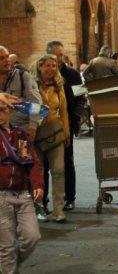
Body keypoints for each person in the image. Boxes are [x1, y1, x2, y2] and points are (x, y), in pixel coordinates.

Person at [0, 99, 44, 273]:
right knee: (7, 246)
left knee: (32, 237)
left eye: (2, 110)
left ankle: (8, 264)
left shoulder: (21, 135)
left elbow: (33, 163)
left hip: (23, 194)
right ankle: (8, 266)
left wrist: (38, 184)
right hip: (1, 197)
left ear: (10, 111)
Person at [46, 41, 84, 212]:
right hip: (47, 126)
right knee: (45, 165)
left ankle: (70, 198)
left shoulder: (73, 74)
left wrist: (75, 116)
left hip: (67, 124)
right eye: (56, 55)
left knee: (68, 162)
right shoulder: (43, 75)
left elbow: (81, 98)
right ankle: (44, 201)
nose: (59, 58)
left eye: (61, 55)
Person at [32, 54, 70, 222]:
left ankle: (59, 210)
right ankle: (39, 207)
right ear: (40, 67)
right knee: (37, 172)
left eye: (53, 66)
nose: (51, 69)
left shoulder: (59, 86)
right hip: (36, 134)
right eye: (47, 65)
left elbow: (64, 111)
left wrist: (66, 132)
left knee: (59, 171)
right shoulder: (32, 85)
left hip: (55, 133)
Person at [0, 46, 42, 138]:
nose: (7, 60)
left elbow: (36, 103)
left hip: (22, 130)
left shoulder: (23, 76)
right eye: (1, 58)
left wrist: (33, 127)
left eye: (7, 56)